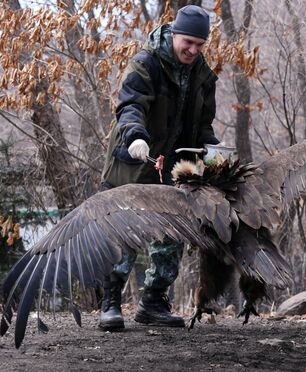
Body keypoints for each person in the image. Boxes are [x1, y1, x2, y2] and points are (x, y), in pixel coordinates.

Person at [99, 5, 219, 330]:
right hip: (136, 159)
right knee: (123, 231)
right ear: (175, 34)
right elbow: (130, 105)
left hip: (176, 165)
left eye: (199, 44)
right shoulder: (146, 62)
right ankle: (110, 302)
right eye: (188, 42)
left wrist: (211, 148)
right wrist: (136, 136)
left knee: (171, 235)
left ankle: (153, 302)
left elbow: (204, 123)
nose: (192, 50)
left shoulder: (203, 74)